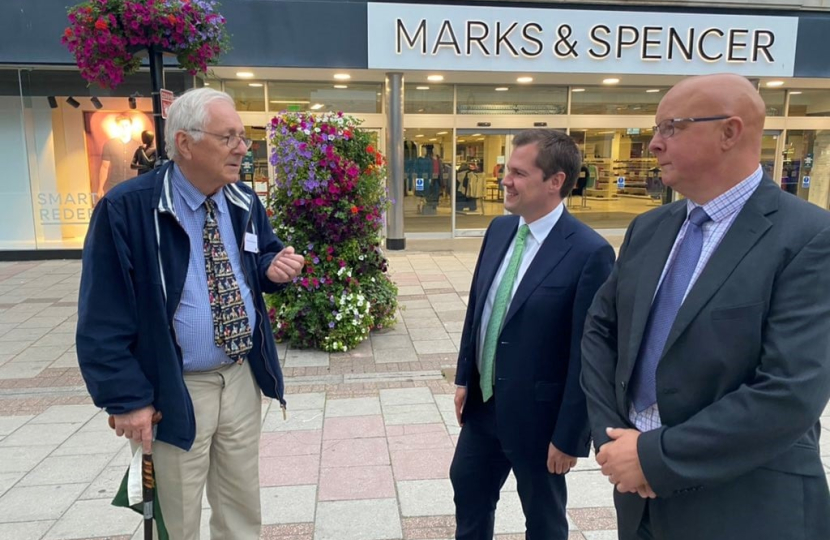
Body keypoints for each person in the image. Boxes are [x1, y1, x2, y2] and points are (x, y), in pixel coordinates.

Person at [580, 73, 830, 540]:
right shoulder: (650, 228)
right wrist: (614, 441)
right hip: (637, 499)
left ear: (729, 132)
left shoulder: (809, 238)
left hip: (743, 504)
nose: (653, 144)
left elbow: (790, 391)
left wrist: (655, 457)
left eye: (670, 128)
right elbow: (600, 331)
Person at [76, 88, 306, 540]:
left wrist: (273, 269)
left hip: (240, 379)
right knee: (176, 519)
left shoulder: (242, 201)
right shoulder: (128, 209)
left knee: (242, 508)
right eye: (228, 137)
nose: (242, 147)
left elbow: (254, 261)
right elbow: (101, 316)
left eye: (242, 137)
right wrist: (126, 398)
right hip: (175, 388)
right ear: (185, 143)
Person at [450, 129, 616, 540]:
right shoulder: (499, 230)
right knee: (468, 493)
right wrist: (462, 377)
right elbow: (479, 309)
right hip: (484, 406)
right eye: (508, 170)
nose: (505, 179)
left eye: (518, 173)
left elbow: (588, 352)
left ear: (555, 181)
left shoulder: (588, 252)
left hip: (539, 420)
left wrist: (570, 436)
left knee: (543, 519)